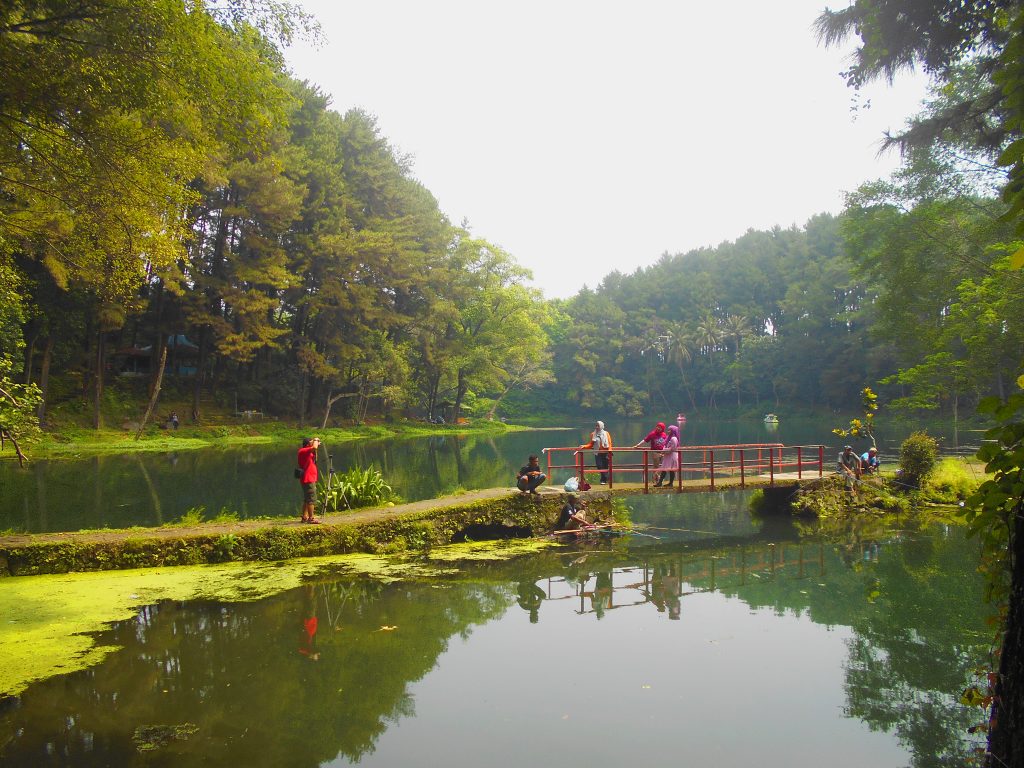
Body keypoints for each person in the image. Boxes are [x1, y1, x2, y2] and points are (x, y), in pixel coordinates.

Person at [297, 436, 321, 523]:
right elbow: (314, 447)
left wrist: (316, 447)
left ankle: (304, 516)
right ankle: (311, 518)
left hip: (308, 478)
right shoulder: (303, 451)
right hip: (308, 479)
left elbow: (314, 451)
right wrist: (316, 439)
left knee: (307, 499)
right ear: (308, 444)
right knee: (311, 499)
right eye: (311, 442)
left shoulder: (308, 452)